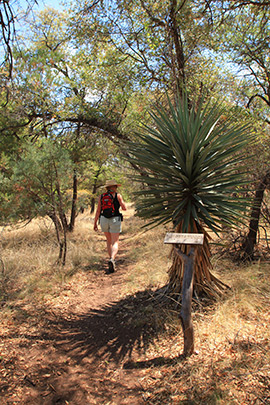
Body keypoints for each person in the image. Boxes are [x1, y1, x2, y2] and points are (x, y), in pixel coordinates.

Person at [93, 179, 127, 273]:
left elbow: (98, 211)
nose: (116, 188)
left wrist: (95, 223)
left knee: (108, 241)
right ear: (113, 187)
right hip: (115, 219)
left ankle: (111, 259)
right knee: (115, 241)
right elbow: (124, 208)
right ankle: (112, 259)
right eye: (115, 186)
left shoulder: (102, 196)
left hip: (103, 219)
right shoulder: (118, 196)